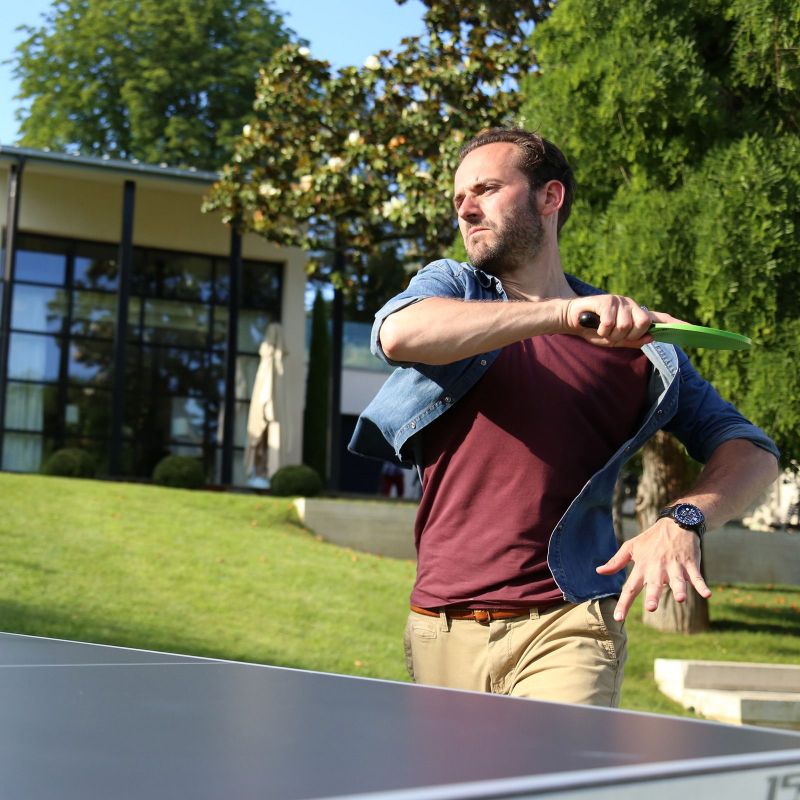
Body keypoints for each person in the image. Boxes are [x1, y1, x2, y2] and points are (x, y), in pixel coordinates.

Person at [348, 127, 780, 707]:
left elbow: (751, 449)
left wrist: (684, 518)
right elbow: (399, 333)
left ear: (549, 197)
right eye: (459, 198)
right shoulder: (453, 288)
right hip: (440, 625)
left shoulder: (637, 343)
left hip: (569, 623)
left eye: (486, 189)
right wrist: (563, 315)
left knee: (556, 765)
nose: (466, 209)